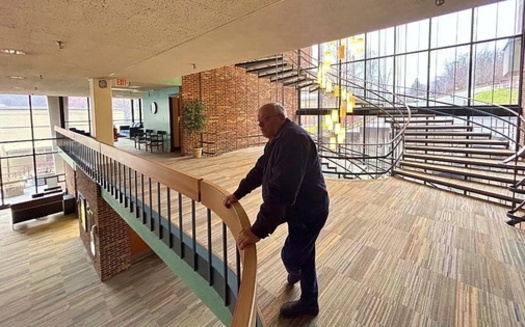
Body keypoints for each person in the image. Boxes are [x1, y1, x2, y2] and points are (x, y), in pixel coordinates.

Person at [223, 102, 329, 318]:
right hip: (297, 208)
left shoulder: (294, 140)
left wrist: (257, 231)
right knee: (303, 252)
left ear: (281, 117)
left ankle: (300, 281)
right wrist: (238, 193)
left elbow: (281, 192)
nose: (260, 123)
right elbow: (261, 169)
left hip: (309, 211)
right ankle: (306, 291)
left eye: (265, 118)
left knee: (291, 256)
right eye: (258, 120)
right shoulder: (278, 139)